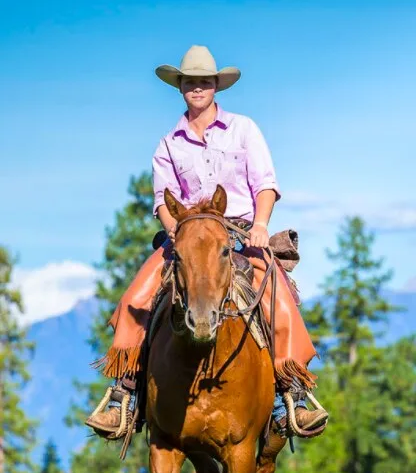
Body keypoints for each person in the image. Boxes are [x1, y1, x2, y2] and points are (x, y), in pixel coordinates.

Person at [86, 46, 328, 438]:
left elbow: (265, 184)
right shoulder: (168, 144)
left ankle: (290, 395)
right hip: (186, 236)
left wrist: (261, 224)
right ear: (180, 87)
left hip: (240, 234)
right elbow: (162, 201)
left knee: (279, 299)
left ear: (216, 86)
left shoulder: (244, 130)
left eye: (204, 81)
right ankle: (123, 394)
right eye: (190, 82)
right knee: (136, 299)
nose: (197, 88)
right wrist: (176, 231)